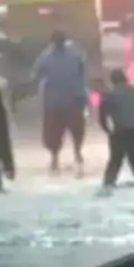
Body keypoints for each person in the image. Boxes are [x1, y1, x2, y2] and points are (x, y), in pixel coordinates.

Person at [31, 30, 90, 175]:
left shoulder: (47, 57)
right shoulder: (74, 55)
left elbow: (35, 74)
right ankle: (64, 156)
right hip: (67, 100)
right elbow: (83, 75)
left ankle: (64, 156)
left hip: (59, 101)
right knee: (69, 131)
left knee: (60, 132)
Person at [98, 68, 134, 188]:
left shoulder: (108, 96)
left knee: (115, 159)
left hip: (121, 130)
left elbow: (102, 119)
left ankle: (108, 183)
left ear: (112, 81)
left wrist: (109, 132)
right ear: (126, 79)